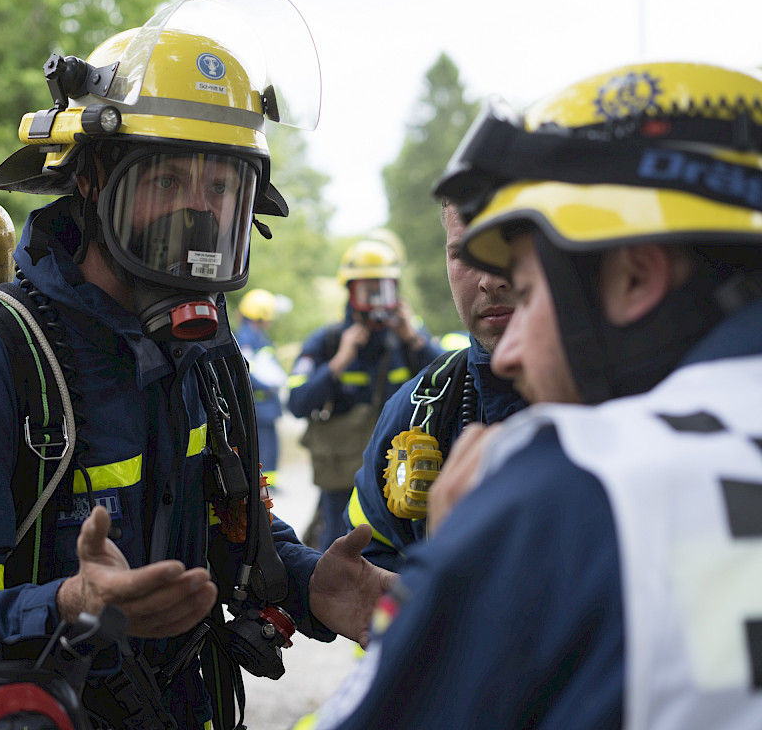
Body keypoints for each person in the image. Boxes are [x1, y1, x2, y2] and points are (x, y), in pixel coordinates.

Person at [0, 0, 394, 730]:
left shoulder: (198, 356)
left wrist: (312, 582)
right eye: (169, 177)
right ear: (91, 176)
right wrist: (70, 607)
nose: (202, 209)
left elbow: (227, 524)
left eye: (222, 184)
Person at [311, 61, 762, 729]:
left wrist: (458, 570)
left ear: (636, 278)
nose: (511, 349)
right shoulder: (428, 406)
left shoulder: (567, 488)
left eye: (525, 289)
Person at [346, 201, 526, 570]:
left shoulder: (638, 400)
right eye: (465, 253)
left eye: (508, 247)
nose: (490, 280)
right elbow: (369, 562)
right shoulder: (415, 407)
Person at [288, 239, 441, 552]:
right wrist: (338, 362)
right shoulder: (327, 341)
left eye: (382, 289)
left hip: (403, 475)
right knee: (340, 552)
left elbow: (448, 382)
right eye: (366, 290)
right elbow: (297, 402)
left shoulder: (410, 338)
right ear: (350, 291)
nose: (375, 300)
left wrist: (413, 340)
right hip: (342, 482)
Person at [235, 288, 288, 490]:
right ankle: (264, 485)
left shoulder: (256, 335)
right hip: (259, 402)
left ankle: (269, 484)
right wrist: (269, 385)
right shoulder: (247, 337)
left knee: (270, 445)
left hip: (266, 403)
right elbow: (248, 370)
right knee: (264, 445)